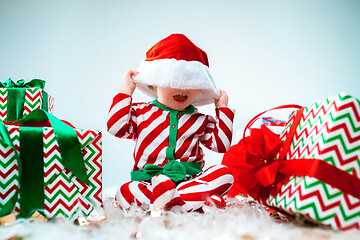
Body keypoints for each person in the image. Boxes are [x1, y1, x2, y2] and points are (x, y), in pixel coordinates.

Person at [107, 33, 235, 212]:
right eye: (173, 81)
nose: (182, 88)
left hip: (189, 181)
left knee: (225, 174)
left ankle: (173, 201)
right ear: (154, 83)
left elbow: (221, 145)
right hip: (149, 183)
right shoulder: (141, 112)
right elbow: (115, 128)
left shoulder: (200, 121)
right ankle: (191, 203)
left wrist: (222, 108)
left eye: (190, 82)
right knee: (125, 191)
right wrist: (125, 91)